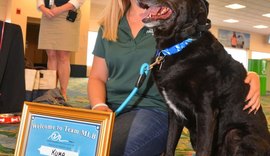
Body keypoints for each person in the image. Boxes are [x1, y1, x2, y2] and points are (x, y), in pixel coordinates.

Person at [87, 0, 261, 155]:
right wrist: (99, 105)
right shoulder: (108, 25)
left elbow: (214, 62)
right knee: (74, 140)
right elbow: (96, 77)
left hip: (151, 109)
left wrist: (252, 75)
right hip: (110, 106)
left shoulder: (172, 23)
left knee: (107, 150)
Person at [37, 0, 85, 100]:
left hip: (66, 13)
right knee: (51, 54)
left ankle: (63, 92)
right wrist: (42, 7)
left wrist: (59, 9)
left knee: (63, 55)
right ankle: (52, 90)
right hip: (48, 14)